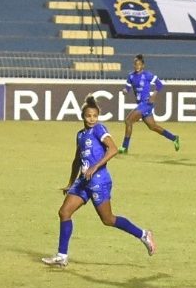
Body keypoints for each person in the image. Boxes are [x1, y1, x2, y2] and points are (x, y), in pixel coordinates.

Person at [41, 95, 157, 267]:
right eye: (89, 116)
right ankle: (62, 256)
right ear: (83, 116)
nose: (92, 119)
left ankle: (143, 234)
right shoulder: (80, 135)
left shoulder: (99, 129)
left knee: (108, 219)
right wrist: (71, 182)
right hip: (83, 181)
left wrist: (95, 167)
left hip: (99, 181)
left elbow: (113, 149)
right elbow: (76, 160)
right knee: (64, 212)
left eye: (95, 116)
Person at [118, 54, 179, 154]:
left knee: (128, 121)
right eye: (135, 64)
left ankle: (124, 147)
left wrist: (153, 95)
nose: (137, 66)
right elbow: (127, 88)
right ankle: (174, 138)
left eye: (139, 64)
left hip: (146, 103)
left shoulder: (147, 75)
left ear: (143, 65)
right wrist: (125, 90)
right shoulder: (131, 76)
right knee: (153, 127)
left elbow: (159, 84)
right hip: (142, 104)